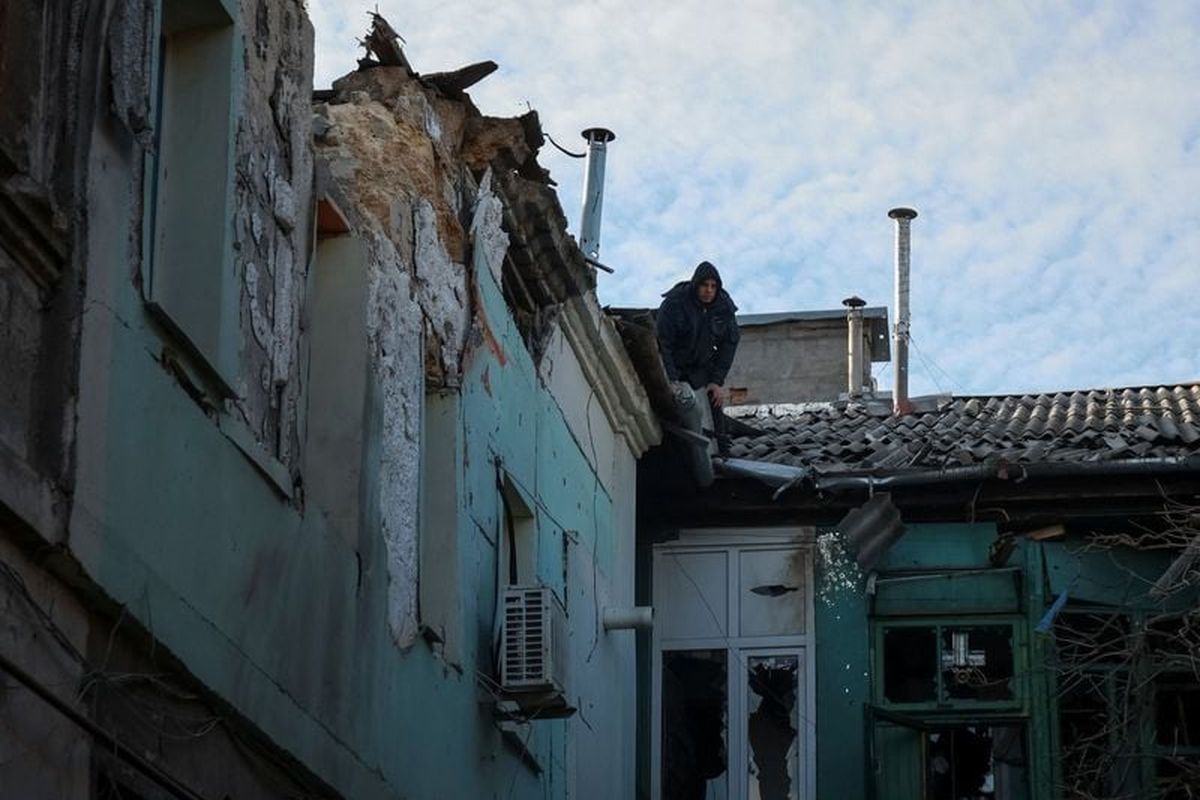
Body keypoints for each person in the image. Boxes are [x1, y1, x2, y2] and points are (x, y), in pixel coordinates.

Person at [656, 261, 740, 446]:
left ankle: (723, 447)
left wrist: (717, 380)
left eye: (713, 286)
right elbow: (663, 343)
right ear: (696, 285)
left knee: (715, 397)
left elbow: (730, 343)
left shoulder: (723, 306)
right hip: (676, 362)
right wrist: (672, 379)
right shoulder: (675, 302)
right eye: (704, 285)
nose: (709, 290)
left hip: (702, 364)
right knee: (674, 405)